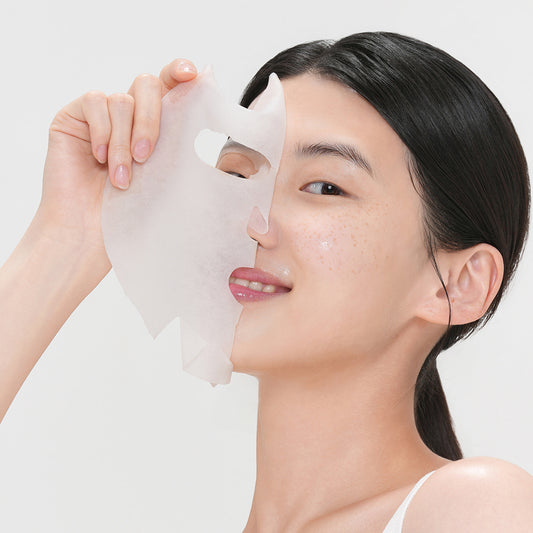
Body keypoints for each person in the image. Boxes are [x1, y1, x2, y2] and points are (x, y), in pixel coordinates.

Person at [0, 31, 532, 532]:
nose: (247, 218)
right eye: (237, 174)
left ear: (457, 284)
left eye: (324, 187)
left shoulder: (477, 507)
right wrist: (65, 240)